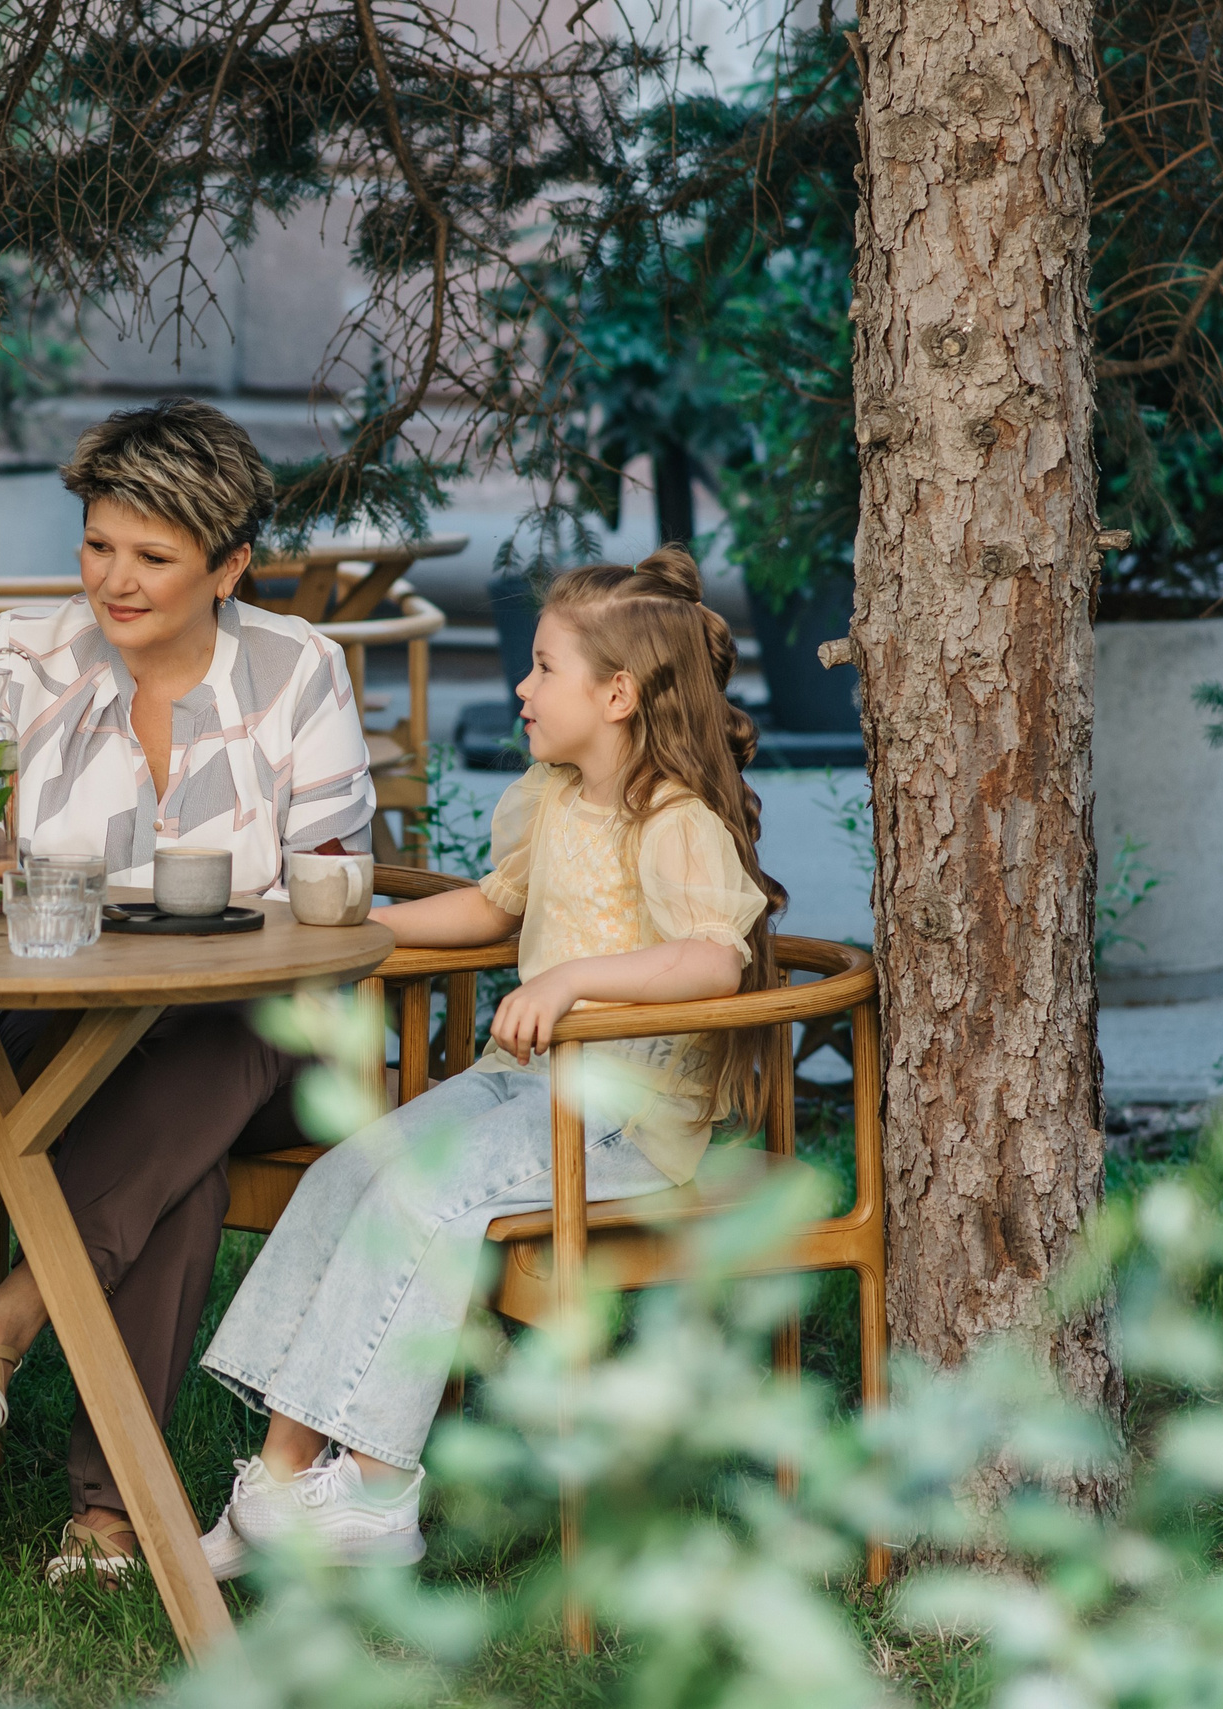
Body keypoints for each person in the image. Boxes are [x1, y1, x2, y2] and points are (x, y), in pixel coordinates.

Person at [194, 546, 785, 1574]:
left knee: (426, 1192)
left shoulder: (677, 821)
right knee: (351, 1169)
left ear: (615, 692)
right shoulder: (554, 798)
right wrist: (365, 928)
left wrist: (569, 983)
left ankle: (376, 1492)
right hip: (525, 1088)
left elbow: (711, 959)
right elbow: (492, 903)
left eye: (543, 667)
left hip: (626, 1110)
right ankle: (279, 1486)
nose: (519, 686)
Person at [0, 397, 376, 1583]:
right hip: (68, 1038)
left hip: (263, 1047)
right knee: (175, 1170)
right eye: (99, 544)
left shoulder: (299, 669)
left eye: (153, 556)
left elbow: (332, 884)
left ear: (230, 564)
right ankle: (107, 1518)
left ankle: (9, 1316)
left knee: (224, 1038)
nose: (115, 579)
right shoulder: (25, 658)